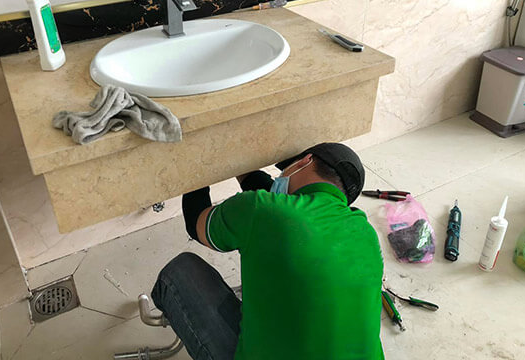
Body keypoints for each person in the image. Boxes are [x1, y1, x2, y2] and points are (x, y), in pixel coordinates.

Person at [151, 143, 384, 360]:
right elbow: (276, 202)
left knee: (181, 270)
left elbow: (197, 222)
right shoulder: (365, 231)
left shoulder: (260, 210)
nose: (280, 177)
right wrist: (239, 163)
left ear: (305, 160)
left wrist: (197, 165)